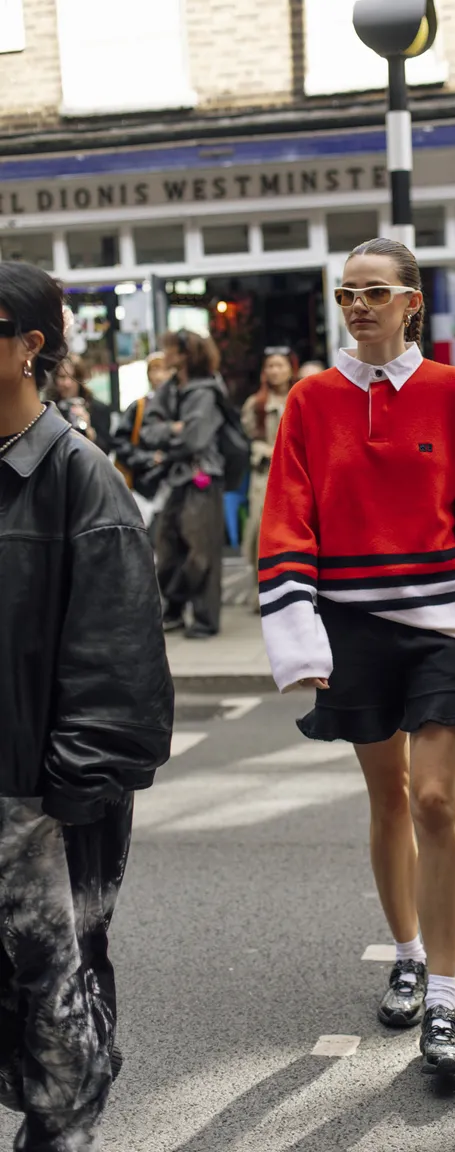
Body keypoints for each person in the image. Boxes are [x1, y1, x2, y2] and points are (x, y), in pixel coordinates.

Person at [258, 238, 455, 1077]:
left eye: (375, 291)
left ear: (414, 301)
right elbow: (288, 518)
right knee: (386, 799)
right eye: (346, 294)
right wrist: (297, 627)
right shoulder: (310, 402)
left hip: (442, 626)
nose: (358, 306)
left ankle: (444, 1004)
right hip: (352, 627)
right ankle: (408, 953)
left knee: (436, 801)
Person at [0, 262, 174, 1151]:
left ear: (31, 347)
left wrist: (57, 808)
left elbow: (123, 678)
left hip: (35, 808)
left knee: (58, 1038)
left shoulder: (80, 480)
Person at [141, 329, 226, 638]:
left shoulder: (206, 390)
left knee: (200, 552)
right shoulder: (171, 388)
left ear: (186, 353)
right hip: (176, 478)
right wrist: (174, 428)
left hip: (203, 477)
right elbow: (147, 431)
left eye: (171, 350)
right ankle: (174, 610)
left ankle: (204, 619)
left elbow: (195, 438)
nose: (166, 355)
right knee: (166, 548)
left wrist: (171, 430)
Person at [241, 347, 295, 611]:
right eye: (270, 366)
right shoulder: (256, 404)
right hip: (264, 477)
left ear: (290, 369)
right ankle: (260, 591)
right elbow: (244, 442)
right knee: (258, 534)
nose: (275, 371)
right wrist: (266, 451)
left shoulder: (300, 397)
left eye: (280, 365)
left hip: (297, 475)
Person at [113, 351, 172, 527]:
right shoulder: (138, 407)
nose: (159, 375)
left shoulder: (178, 405)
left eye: (164, 369)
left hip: (171, 484)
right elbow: (120, 443)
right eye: (154, 370)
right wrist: (148, 458)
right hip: (141, 486)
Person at [45, 354, 113, 454]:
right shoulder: (48, 410)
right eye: (62, 377)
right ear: (55, 380)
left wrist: (89, 431)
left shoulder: (98, 408)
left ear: (80, 379)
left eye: (73, 378)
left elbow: (106, 450)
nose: (67, 383)